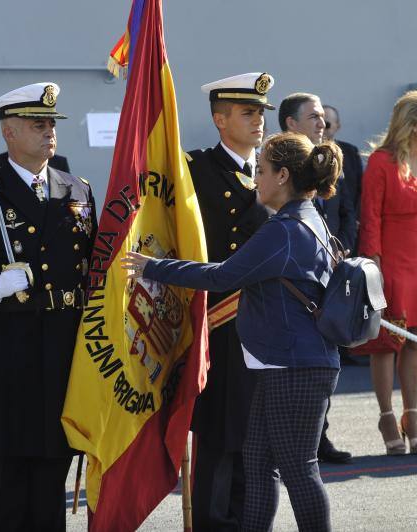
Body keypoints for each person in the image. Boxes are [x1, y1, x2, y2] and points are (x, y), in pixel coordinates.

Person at [122, 132, 343, 532]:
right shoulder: (307, 220)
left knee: (298, 469)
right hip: (285, 364)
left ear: (282, 176)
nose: (254, 179)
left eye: (260, 171)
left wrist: (151, 267)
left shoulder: (286, 229)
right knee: (258, 464)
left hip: (295, 367)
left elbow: (224, 274)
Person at [0, 82, 97, 530]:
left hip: (64, 348)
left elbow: (90, 264)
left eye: (51, 124)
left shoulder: (77, 188)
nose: (49, 132)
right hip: (11, 349)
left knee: (52, 474)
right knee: (5, 477)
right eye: (37, 124)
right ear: (9, 133)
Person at [185, 72, 274, 530]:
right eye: (247, 112)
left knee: (260, 447)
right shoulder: (194, 170)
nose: (258, 120)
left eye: (261, 111)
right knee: (221, 443)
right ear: (220, 119)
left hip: (272, 329)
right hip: (220, 327)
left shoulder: (280, 170)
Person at [354, 90, 417, 456]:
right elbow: (371, 216)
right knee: (386, 344)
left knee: (415, 342)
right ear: (413, 124)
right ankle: (386, 416)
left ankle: (412, 418)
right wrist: (373, 264)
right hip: (389, 260)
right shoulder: (380, 162)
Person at [279, 92, 354, 465]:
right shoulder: (278, 166)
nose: (321, 123)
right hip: (293, 285)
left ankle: (318, 438)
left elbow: (345, 213)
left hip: (331, 278)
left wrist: (343, 249)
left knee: (326, 360)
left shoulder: (332, 161)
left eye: (323, 117)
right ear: (291, 123)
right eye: (313, 117)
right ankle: (296, 444)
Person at [324, 104, 364, 254]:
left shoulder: (350, 152)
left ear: (337, 126)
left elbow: (361, 188)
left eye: (327, 123)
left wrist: (356, 218)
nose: (322, 126)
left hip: (349, 228)